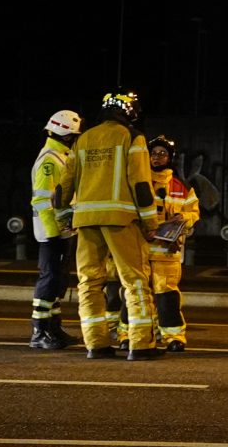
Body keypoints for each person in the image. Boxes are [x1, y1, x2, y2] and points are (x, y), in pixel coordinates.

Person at [68, 89, 162, 360]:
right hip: (121, 221)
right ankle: (141, 345)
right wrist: (150, 222)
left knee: (88, 283)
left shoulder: (84, 138)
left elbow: (64, 185)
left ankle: (96, 345)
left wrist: (65, 217)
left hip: (85, 221)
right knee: (134, 280)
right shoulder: (132, 137)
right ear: (131, 111)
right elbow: (141, 185)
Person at [27, 109, 84, 349]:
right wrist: (53, 232)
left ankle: (53, 328)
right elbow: (41, 199)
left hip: (63, 228)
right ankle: (39, 332)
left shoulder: (61, 155)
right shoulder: (50, 159)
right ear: (66, 135)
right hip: (52, 230)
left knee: (59, 280)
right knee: (50, 278)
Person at [142, 133, 201, 353]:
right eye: (153, 153)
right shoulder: (138, 182)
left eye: (162, 153)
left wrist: (184, 219)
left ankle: (173, 336)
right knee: (138, 295)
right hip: (140, 250)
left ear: (170, 158)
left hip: (167, 253)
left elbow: (194, 213)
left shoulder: (181, 186)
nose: (157, 157)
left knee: (167, 297)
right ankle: (130, 335)